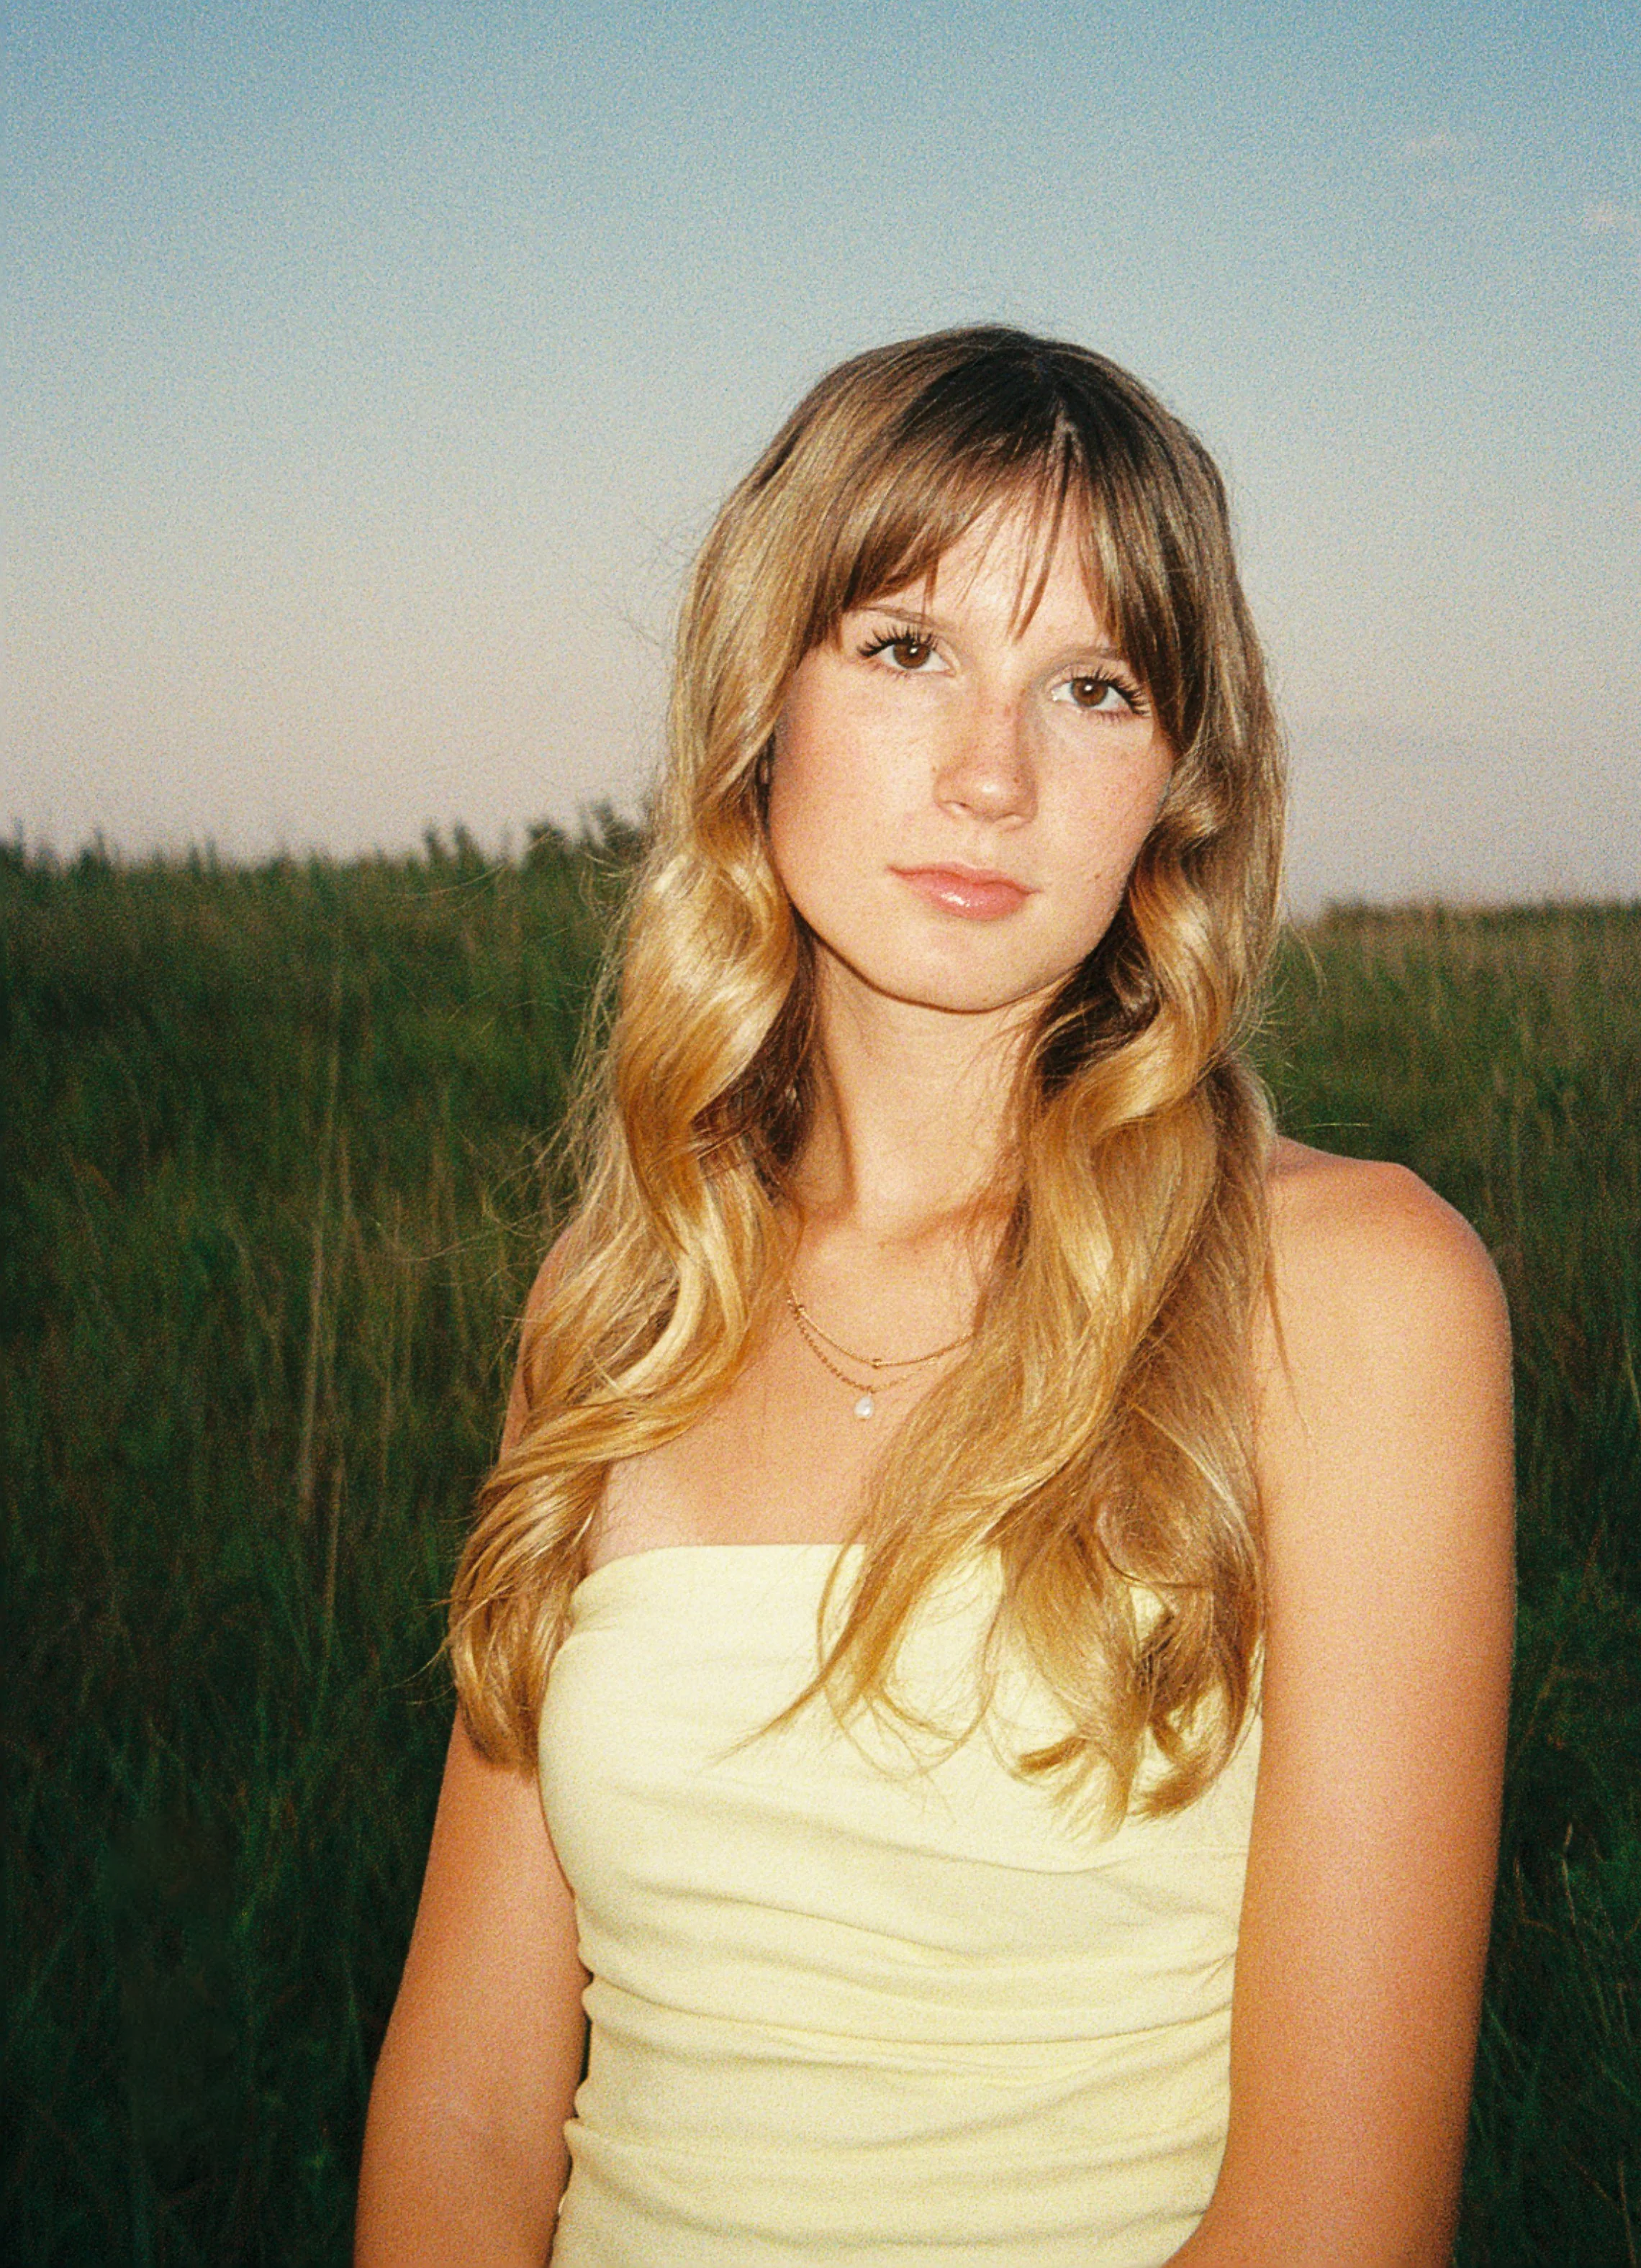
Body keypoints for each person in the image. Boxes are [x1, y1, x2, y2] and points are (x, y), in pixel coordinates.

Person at [355, 326, 1514, 2268]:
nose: (994, 775)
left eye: (1093, 686)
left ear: (1176, 785)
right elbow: (469, 2105)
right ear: (762, 700)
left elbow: (1336, 2218)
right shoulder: (615, 1302)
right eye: (907, 651)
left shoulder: (1354, 1296)